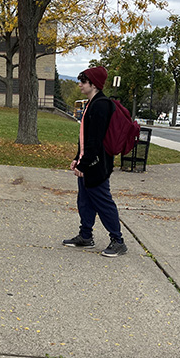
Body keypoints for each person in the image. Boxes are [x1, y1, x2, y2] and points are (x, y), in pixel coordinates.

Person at [62, 65, 128, 257]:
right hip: (87, 161)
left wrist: (84, 164)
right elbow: (84, 136)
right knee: (85, 201)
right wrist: (77, 158)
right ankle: (85, 236)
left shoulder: (101, 105)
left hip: (97, 164)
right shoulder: (91, 103)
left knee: (103, 202)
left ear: (94, 84)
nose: (80, 84)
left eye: (83, 81)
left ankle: (118, 241)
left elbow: (95, 140)